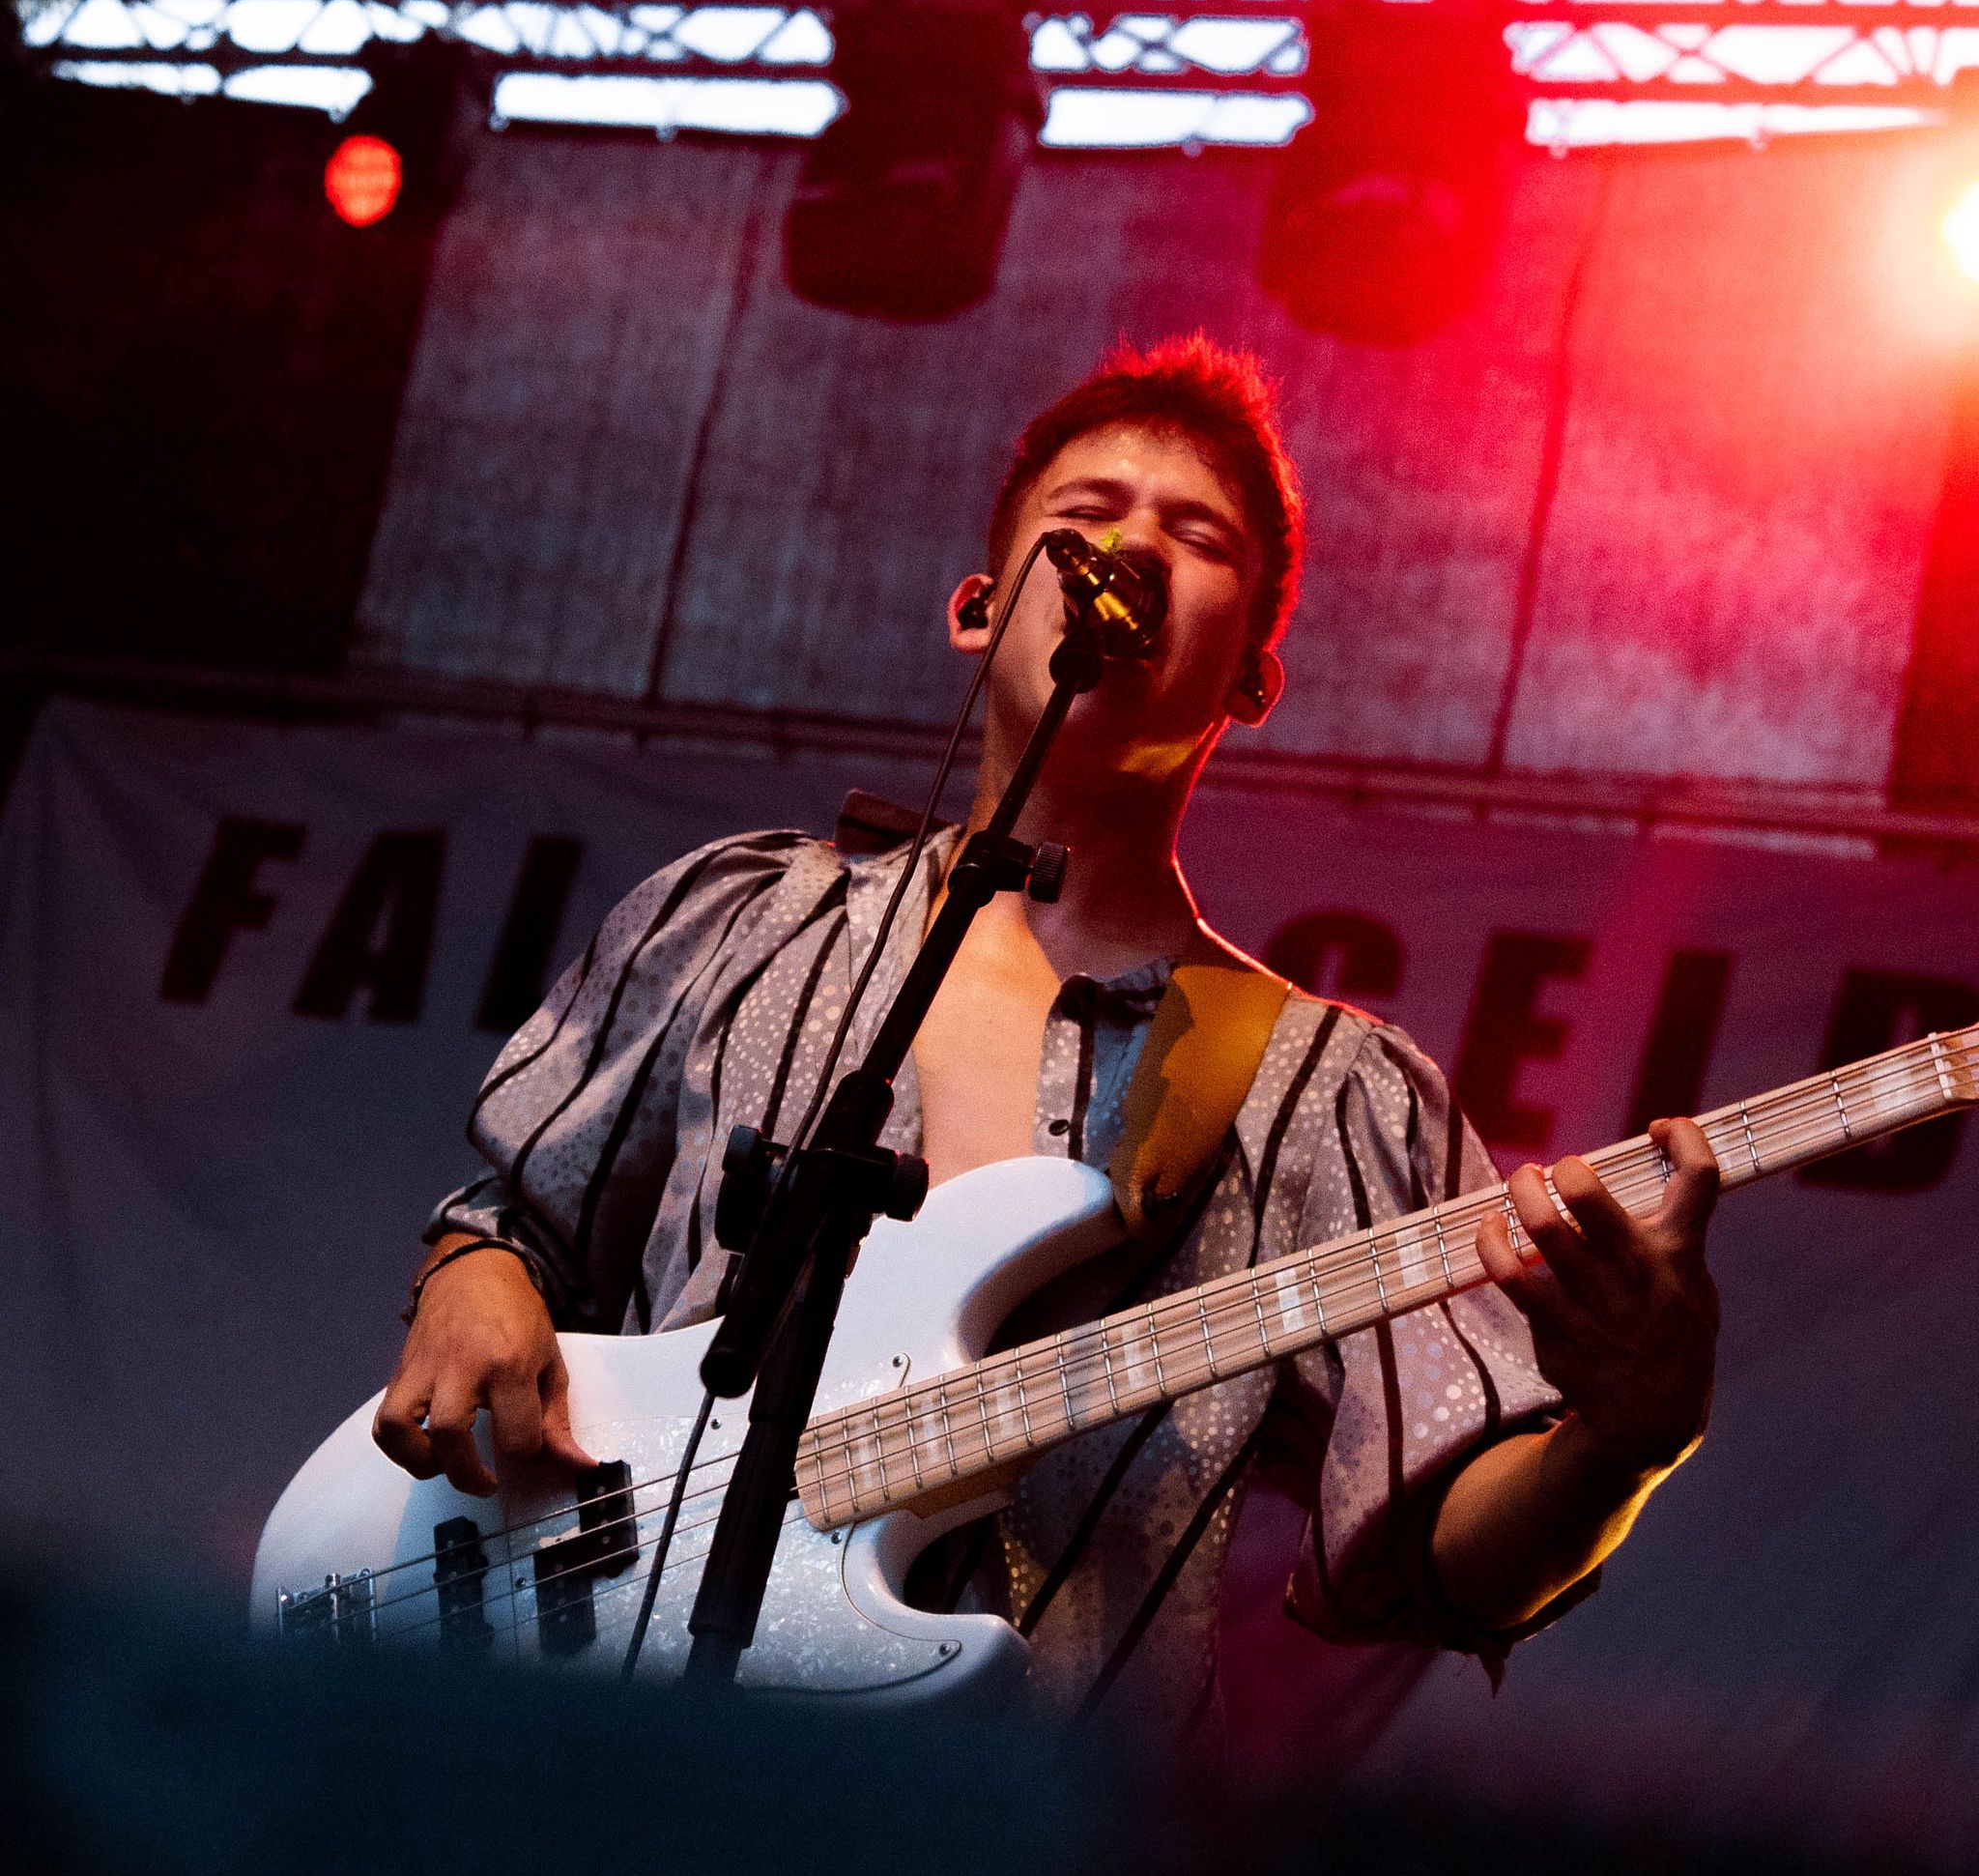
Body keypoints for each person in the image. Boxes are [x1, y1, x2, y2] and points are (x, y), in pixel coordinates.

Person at [375, 338, 1722, 1741]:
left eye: (1196, 537)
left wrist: (1627, 1440)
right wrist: (470, 1278)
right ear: (979, 609)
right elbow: (512, 1219)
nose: (1131, 546)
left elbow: (1453, 1555)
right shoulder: (743, 917)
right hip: (590, 1725)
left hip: (1002, 1816)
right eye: (1087, 515)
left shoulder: (1326, 1092)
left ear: (1250, 680)